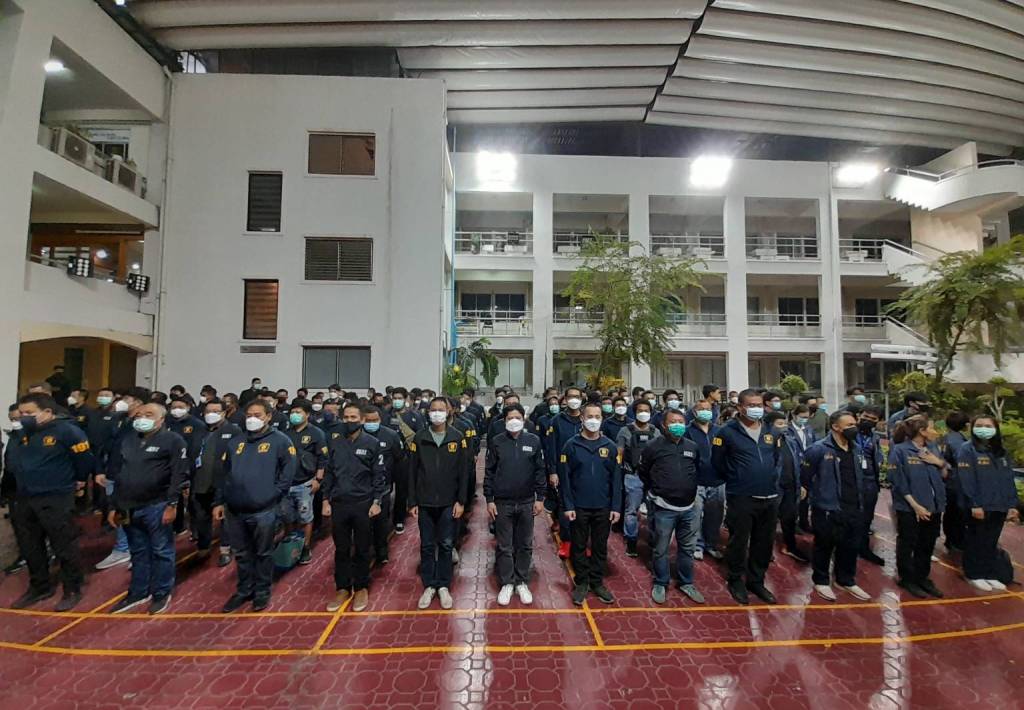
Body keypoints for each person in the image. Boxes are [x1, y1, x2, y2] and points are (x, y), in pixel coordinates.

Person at [8, 393, 95, 610]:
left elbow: (84, 460)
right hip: (25, 497)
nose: (24, 417)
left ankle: (72, 588)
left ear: (47, 412)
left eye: (29, 413)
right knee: (31, 546)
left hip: (55, 496)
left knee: (63, 544)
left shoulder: (67, 431)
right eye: (21, 413)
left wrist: (79, 480)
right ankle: (40, 586)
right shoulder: (22, 432)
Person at [215, 399, 297, 613]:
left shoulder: (281, 441)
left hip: (264, 509)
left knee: (262, 553)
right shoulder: (236, 442)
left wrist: (272, 495)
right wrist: (220, 501)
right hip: (235, 509)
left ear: (268, 416)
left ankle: (262, 591)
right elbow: (225, 474)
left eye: (257, 415)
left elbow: (287, 474)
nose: (252, 419)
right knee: (241, 553)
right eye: (249, 415)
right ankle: (244, 590)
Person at [106, 403, 189, 615]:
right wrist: (114, 505)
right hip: (128, 505)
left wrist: (172, 505)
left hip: (157, 504)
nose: (142, 418)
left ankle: (162, 592)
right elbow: (120, 473)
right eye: (139, 415)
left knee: (161, 550)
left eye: (149, 415)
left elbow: (178, 475)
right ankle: (138, 591)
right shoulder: (128, 440)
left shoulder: (173, 441)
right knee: (138, 550)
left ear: (161, 420)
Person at [711, 389, 782, 605]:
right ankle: (735, 580)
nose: (756, 409)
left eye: (759, 405)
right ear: (740, 407)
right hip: (741, 495)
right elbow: (718, 462)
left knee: (764, 542)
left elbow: (776, 458)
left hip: (770, 495)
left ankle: (756, 581)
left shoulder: (771, 431)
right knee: (739, 541)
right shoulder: (726, 432)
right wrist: (736, 477)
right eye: (751, 405)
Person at [322, 403, 387, 613]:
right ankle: (342, 587)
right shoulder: (335, 442)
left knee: (362, 548)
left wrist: (377, 501)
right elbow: (329, 473)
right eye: (346, 417)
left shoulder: (372, 443)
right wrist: (325, 500)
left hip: (363, 504)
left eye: (353, 417)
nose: (349, 421)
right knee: (341, 548)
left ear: (362, 420)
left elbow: (379, 475)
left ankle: (361, 587)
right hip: (339, 503)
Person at [801, 411, 871, 601]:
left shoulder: (856, 449)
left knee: (850, 545)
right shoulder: (818, 449)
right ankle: (821, 581)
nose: (854, 428)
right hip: (827, 508)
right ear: (835, 427)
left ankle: (846, 579)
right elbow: (805, 477)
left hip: (854, 506)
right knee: (824, 545)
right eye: (849, 425)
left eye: (854, 424)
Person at [409, 397, 469, 610]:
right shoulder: (419, 438)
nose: (436, 413)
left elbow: (464, 473)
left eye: (440, 409)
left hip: (448, 502)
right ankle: (429, 585)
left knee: (445, 544)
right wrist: (412, 501)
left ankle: (443, 585)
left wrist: (461, 501)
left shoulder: (457, 437)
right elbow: (412, 471)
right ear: (428, 413)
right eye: (433, 409)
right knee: (426, 545)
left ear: (448, 411)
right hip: (425, 502)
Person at [639, 409, 704, 605]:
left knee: (687, 548)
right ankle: (661, 581)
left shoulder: (692, 446)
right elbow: (644, 472)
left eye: (681, 421)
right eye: (673, 422)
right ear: (664, 425)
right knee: (661, 548)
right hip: (663, 506)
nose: (678, 425)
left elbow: (697, 469)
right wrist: (657, 490)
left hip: (690, 507)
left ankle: (686, 582)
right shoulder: (653, 446)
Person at [560, 402, 622, 606]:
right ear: (582, 418)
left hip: (603, 507)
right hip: (579, 506)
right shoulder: (571, 446)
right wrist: (568, 505)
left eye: (597, 416)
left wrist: (616, 507)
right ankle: (582, 582)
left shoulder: (610, 447)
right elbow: (565, 480)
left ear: (602, 419)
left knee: (600, 546)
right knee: (578, 546)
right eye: (590, 416)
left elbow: (616, 480)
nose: (593, 420)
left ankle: (597, 581)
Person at [484, 404, 546, 606]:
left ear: (524, 418)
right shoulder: (497, 442)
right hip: (503, 503)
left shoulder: (533, 441)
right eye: (510, 418)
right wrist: (489, 499)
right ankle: (507, 582)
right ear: (504, 421)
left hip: (527, 501)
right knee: (505, 546)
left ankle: (521, 581)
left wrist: (540, 498)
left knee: (525, 544)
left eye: (518, 417)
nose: (514, 421)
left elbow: (540, 470)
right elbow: (489, 472)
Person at [956, 416, 1019, 592]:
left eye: (988, 426)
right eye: (979, 425)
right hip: (979, 505)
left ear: (996, 428)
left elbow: (1008, 478)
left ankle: (989, 573)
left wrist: (1012, 504)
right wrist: (974, 504)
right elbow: (966, 479)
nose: (984, 429)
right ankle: (974, 573)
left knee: (991, 541)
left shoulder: (1000, 451)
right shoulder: (967, 449)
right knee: (976, 539)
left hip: (999, 504)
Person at [889, 415, 948, 599]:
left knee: (927, 543)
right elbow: (897, 481)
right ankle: (907, 578)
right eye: (931, 428)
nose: (935, 432)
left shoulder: (933, 448)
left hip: (934, 506)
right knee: (908, 542)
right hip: (910, 508)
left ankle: (922, 577)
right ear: (922, 431)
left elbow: (946, 473)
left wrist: (937, 462)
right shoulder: (900, 450)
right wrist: (915, 506)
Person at [95, 387, 152, 571]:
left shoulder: (145, 424)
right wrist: (100, 470)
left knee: (138, 514)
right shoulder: (119, 419)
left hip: (132, 475)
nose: (122, 402)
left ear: (138, 402)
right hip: (113, 472)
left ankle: (137, 550)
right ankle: (123, 548)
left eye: (127, 399)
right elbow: (105, 445)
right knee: (118, 513)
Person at [192, 398, 242, 566]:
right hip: (201, 481)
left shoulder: (234, 431)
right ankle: (203, 546)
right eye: (208, 412)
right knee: (201, 516)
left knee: (225, 517)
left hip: (224, 482)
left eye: (215, 411)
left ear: (224, 413)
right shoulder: (199, 430)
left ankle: (225, 549)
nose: (211, 415)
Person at [283, 400, 328, 565]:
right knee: (287, 517)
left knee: (305, 517)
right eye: (292, 412)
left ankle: (305, 547)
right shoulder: (285, 434)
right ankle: (290, 544)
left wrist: (318, 479)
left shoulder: (316, 433)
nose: (295, 415)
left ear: (307, 414)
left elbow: (323, 459)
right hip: (286, 483)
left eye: (298, 412)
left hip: (305, 482)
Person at [616, 398, 660, 557]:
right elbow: (619, 454)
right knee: (631, 511)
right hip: (632, 476)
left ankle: (654, 540)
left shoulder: (656, 431)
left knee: (654, 511)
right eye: (640, 411)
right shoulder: (625, 431)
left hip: (653, 478)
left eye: (646, 411)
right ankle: (631, 540)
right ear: (634, 412)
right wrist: (618, 472)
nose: (643, 413)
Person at [362, 406, 405, 565]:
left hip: (383, 486)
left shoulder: (391, 435)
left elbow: (399, 459)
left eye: (374, 420)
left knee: (381, 522)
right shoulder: (356, 436)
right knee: (363, 523)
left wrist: (399, 482)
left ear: (380, 420)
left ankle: (382, 551)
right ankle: (363, 552)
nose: (371, 423)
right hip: (361, 488)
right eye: (368, 420)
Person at [545, 387, 585, 559]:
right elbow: (551, 448)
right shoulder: (556, 421)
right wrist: (552, 471)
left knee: (583, 508)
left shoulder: (586, 419)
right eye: (571, 396)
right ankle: (566, 541)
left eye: (577, 396)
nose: (574, 399)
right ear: (565, 399)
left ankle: (582, 542)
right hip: (563, 469)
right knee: (564, 505)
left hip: (584, 470)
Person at [766, 411, 809, 564]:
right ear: (769, 425)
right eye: (779, 424)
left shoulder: (789, 440)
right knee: (769, 521)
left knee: (790, 518)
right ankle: (765, 550)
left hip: (791, 485)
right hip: (773, 487)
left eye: (785, 423)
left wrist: (800, 484)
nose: (784, 427)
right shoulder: (764, 443)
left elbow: (797, 463)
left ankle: (790, 546)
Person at [686, 399, 724, 561]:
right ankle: (697, 545)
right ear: (694, 412)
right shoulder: (687, 431)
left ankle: (711, 544)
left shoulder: (720, 431)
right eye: (701, 409)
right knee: (695, 516)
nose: (705, 412)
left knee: (715, 515)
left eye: (708, 409)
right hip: (696, 481)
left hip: (718, 480)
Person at [387, 387, 425, 534]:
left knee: (402, 491)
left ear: (405, 399)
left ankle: (399, 519)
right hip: (388, 458)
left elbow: (420, 437)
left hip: (405, 459)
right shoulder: (386, 415)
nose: (397, 401)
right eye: (394, 398)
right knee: (385, 490)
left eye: (399, 398)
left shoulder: (414, 416)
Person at [855, 406, 886, 566]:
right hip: (852, 481)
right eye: (865, 416)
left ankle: (864, 548)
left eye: (873, 419)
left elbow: (877, 455)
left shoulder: (874, 437)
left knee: (866, 517)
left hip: (870, 482)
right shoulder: (850, 433)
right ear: (859, 415)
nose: (868, 420)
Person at [940, 411, 971, 552]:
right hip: (957, 480)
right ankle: (955, 540)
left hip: (950, 480)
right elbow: (962, 460)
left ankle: (951, 539)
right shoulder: (958, 441)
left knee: (951, 511)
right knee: (957, 512)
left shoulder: (947, 438)